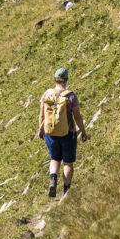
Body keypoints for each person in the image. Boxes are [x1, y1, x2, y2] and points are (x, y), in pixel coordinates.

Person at [36, 68, 88, 197]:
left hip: (50, 133)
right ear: (66, 80)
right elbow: (77, 116)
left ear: (55, 79)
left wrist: (41, 130)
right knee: (68, 162)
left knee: (55, 159)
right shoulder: (71, 96)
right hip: (68, 134)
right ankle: (66, 191)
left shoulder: (46, 94)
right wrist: (83, 131)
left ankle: (53, 179)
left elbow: (41, 115)